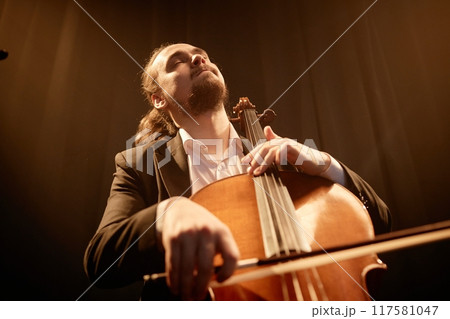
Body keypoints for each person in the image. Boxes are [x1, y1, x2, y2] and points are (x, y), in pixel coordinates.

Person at [83, 43, 391, 301]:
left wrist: (324, 163)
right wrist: (168, 213)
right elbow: (100, 259)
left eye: (201, 54)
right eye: (177, 62)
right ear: (159, 98)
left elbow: (378, 219)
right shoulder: (140, 165)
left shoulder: (282, 159)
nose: (197, 58)